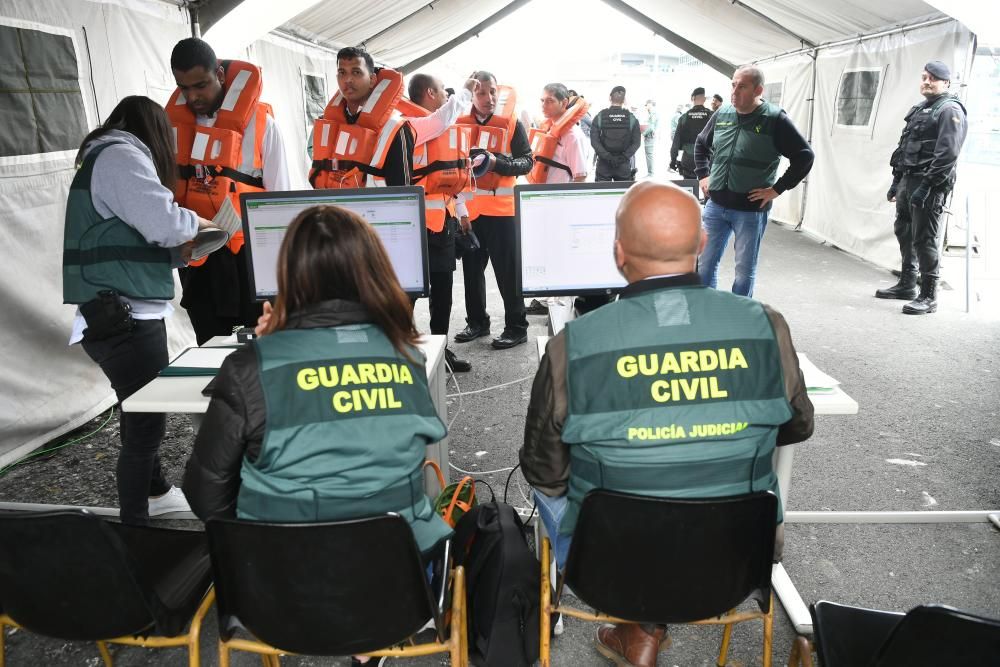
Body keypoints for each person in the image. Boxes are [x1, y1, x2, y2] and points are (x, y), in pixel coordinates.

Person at [519, 181, 814, 666]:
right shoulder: (768, 325)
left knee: (558, 491)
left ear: (618, 253)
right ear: (702, 244)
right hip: (735, 562)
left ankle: (639, 628)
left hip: (608, 567)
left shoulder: (571, 346)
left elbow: (545, 472)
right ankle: (644, 628)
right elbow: (797, 426)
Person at [183, 205, 452, 557]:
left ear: (289, 273)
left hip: (279, 586)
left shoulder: (249, 368)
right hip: (397, 588)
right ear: (373, 270)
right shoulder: (408, 357)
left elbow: (207, 498)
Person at [63, 96, 212, 524]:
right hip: (126, 317)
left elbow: (127, 239)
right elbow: (163, 223)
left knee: (138, 411)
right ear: (156, 133)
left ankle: (157, 492)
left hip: (114, 311)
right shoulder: (121, 157)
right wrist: (199, 223)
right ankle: (136, 529)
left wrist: (180, 253)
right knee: (146, 427)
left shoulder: (102, 158)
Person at [168, 38, 292, 345]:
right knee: (209, 344)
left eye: (201, 85)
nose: (193, 96)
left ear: (220, 76)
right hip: (200, 259)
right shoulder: (171, 126)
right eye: (184, 88)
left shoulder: (262, 125)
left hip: (251, 256)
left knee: (267, 345)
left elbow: (281, 196)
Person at [694, 65, 814, 297]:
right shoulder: (722, 114)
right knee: (705, 265)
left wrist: (777, 189)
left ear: (758, 90)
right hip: (716, 205)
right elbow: (701, 143)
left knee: (743, 271)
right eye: (733, 85)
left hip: (750, 210)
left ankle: (741, 318)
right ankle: (706, 313)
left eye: (742, 86)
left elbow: (804, 156)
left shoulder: (774, 119)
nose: (735, 91)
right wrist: (703, 175)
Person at [878, 60, 968, 315]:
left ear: (946, 83)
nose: (927, 82)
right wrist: (897, 181)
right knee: (903, 230)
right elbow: (905, 147)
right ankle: (907, 284)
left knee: (924, 238)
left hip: (930, 182)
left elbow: (947, 154)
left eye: (933, 78)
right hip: (910, 178)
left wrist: (926, 187)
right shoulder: (920, 108)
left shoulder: (950, 110)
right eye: (924, 77)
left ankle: (929, 296)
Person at [453, 71, 534, 349]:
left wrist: (497, 163)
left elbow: (527, 162)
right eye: (481, 92)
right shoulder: (459, 124)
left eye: (492, 91)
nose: (489, 98)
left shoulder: (511, 124)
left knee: (508, 271)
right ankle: (477, 322)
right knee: (471, 271)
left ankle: (517, 326)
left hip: (503, 210)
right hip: (470, 212)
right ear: (472, 95)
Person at [405, 72, 479, 371]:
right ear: (430, 94)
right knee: (405, 294)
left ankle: (441, 351)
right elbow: (443, 118)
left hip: (442, 225)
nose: (446, 97)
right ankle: (405, 354)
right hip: (414, 227)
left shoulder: (438, 127)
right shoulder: (409, 126)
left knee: (443, 294)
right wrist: (464, 91)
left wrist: (462, 213)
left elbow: (448, 177)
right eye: (441, 91)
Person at [310, 46, 414, 189]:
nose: (348, 80)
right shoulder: (326, 123)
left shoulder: (395, 127)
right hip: (331, 209)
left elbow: (403, 193)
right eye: (342, 72)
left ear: (372, 80)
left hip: (374, 210)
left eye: (356, 72)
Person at [528, 83, 589, 184]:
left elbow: (580, 178)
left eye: (550, 101)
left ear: (564, 103)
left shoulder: (573, 136)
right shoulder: (549, 129)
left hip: (558, 197)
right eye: (542, 101)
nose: (543, 105)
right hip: (540, 194)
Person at [591, 85, 641, 182]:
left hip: (603, 165)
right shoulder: (631, 118)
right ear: (624, 100)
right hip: (623, 164)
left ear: (610, 98)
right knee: (623, 195)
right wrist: (623, 158)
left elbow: (594, 141)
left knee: (601, 195)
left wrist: (607, 157)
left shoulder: (600, 116)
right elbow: (636, 143)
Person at [669, 87, 712, 179]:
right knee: (708, 188)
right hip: (707, 158)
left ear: (692, 98)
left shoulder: (684, 118)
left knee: (689, 189)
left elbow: (675, 143)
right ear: (704, 99)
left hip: (688, 158)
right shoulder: (712, 116)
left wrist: (673, 160)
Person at [642, 99, 658, 175]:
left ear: (649, 104)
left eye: (646, 105)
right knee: (649, 154)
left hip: (649, 136)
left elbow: (651, 127)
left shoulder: (653, 113)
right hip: (650, 136)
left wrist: (644, 134)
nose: (646, 107)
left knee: (649, 154)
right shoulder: (652, 113)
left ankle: (650, 173)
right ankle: (650, 172)